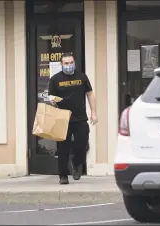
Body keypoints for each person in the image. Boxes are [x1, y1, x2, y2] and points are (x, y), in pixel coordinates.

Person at [48, 52, 98, 184]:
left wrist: (94, 112)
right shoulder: (55, 79)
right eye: (66, 63)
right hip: (62, 118)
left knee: (82, 144)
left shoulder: (82, 77)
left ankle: (76, 164)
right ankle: (63, 175)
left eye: (71, 63)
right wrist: (53, 100)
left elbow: (90, 94)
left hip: (80, 117)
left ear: (74, 63)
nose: (69, 65)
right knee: (63, 148)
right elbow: (51, 97)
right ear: (61, 64)